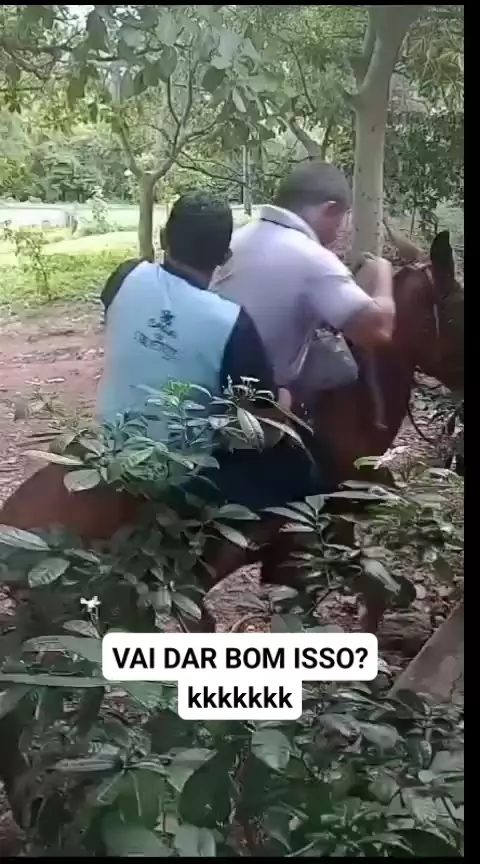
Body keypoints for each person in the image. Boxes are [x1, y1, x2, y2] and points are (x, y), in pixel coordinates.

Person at [96, 191, 317, 510]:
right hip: (179, 474)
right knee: (297, 468)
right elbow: (262, 426)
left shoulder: (124, 276)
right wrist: (285, 399)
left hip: (108, 447)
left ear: (163, 237)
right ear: (225, 256)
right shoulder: (233, 322)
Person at [211, 161, 395, 415]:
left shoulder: (236, 238)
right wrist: (383, 273)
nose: (342, 228)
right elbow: (376, 331)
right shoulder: (312, 257)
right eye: (342, 218)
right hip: (249, 406)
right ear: (330, 209)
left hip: (204, 386)